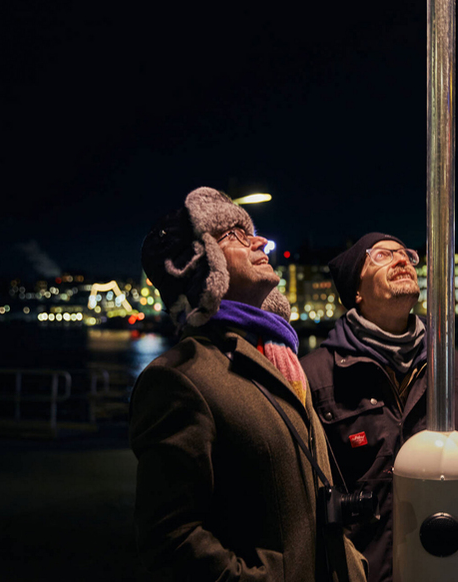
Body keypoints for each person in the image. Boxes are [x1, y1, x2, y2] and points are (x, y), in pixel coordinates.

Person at [130, 187, 367, 582]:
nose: (261, 241)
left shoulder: (280, 357)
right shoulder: (179, 378)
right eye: (235, 236)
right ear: (201, 264)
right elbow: (169, 539)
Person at [301, 233, 458, 582]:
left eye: (406, 255)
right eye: (382, 255)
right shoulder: (316, 377)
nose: (402, 261)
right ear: (356, 291)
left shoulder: (456, 373)